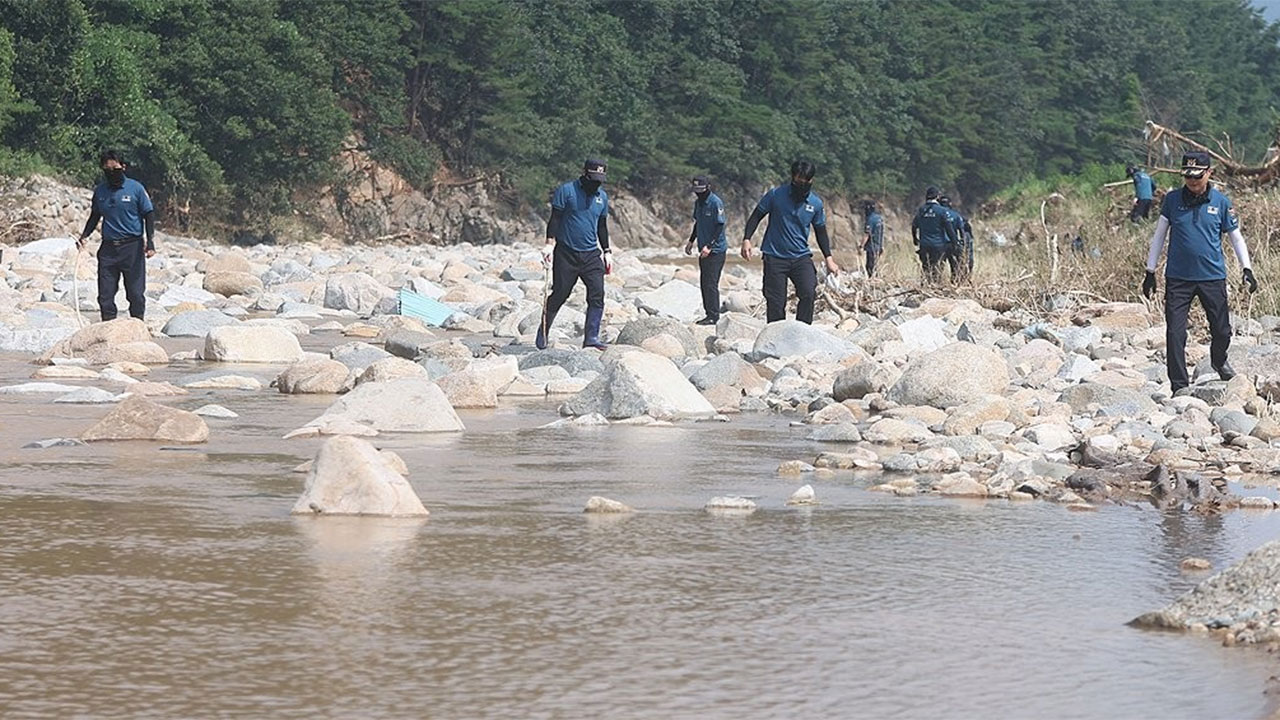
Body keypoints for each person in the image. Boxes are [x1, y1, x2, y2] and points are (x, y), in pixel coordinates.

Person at [1142, 151, 1257, 395]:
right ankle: (1179, 385)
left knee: (1222, 329)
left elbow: (1235, 238)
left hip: (1212, 276)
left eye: (1197, 176)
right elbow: (1159, 236)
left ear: (1209, 173)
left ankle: (1218, 360)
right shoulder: (1172, 200)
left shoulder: (1221, 202)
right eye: (1188, 176)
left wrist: (1247, 269)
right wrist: (1150, 271)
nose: (1192, 181)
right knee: (1175, 332)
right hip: (1178, 279)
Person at [740, 160, 840, 324]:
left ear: (811, 181)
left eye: (806, 181)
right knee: (776, 302)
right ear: (793, 178)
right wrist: (747, 239)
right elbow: (756, 216)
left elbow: (820, 231)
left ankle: (802, 330)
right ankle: (776, 337)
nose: (803, 185)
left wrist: (829, 258)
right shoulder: (776, 195)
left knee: (808, 292)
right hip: (775, 256)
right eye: (799, 181)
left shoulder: (815, 203)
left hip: (800, 257)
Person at [538, 158, 614, 350]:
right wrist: (549, 244)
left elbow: (602, 226)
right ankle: (544, 330)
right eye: (593, 178)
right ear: (585, 174)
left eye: (600, 179)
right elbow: (554, 219)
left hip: (591, 255)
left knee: (597, 294)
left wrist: (607, 251)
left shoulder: (602, 197)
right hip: (566, 253)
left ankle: (591, 338)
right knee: (561, 293)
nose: (596, 183)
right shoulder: (567, 191)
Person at [75, 150, 156, 321]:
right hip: (108, 248)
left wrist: (150, 242)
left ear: (123, 167)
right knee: (105, 294)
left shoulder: (136, 189)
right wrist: (84, 236)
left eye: (115, 168)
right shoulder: (100, 191)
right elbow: (95, 216)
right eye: (107, 169)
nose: (111, 173)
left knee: (135, 293)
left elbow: (148, 214)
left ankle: (137, 324)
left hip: (132, 247)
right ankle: (108, 327)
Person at [684, 175, 727, 325]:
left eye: (701, 190)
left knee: (711, 283)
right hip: (703, 249)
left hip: (716, 250)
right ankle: (708, 313)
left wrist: (709, 246)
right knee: (704, 282)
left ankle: (714, 316)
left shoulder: (715, 202)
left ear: (708, 187)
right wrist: (691, 241)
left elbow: (719, 226)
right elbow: (698, 223)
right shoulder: (698, 203)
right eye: (696, 190)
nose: (699, 193)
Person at [911, 186, 958, 283]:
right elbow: (949, 229)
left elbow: (914, 226)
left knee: (926, 269)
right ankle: (935, 288)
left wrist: (915, 239)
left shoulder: (921, 210)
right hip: (938, 245)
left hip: (924, 245)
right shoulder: (941, 211)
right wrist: (954, 243)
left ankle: (927, 286)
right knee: (937, 269)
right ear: (937, 197)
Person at [938, 194, 972, 282]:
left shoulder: (937, 214)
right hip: (952, 244)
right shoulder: (956, 215)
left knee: (938, 268)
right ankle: (955, 283)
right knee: (955, 268)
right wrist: (962, 245)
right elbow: (962, 231)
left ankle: (937, 284)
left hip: (940, 245)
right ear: (950, 204)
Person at [860, 200, 884, 278]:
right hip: (879, 246)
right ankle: (875, 278)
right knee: (875, 266)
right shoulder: (879, 218)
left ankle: (872, 280)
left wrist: (861, 246)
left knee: (870, 266)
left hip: (872, 247)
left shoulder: (870, 219)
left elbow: (867, 234)